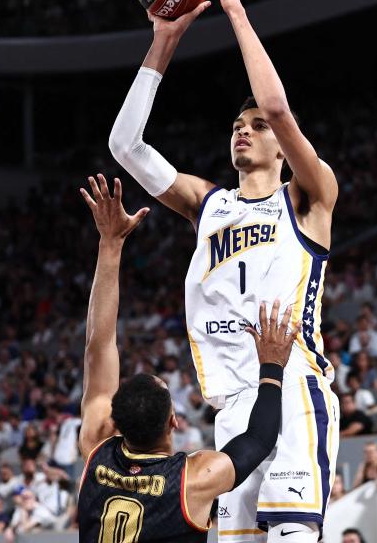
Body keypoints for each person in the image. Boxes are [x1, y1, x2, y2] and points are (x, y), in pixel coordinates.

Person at [110, 0, 338, 542]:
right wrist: (161, 46)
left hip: (291, 387)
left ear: (281, 148)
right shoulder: (207, 204)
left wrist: (233, 7)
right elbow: (124, 147)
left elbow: (278, 105)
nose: (245, 131)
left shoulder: (307, 198)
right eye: (238, 125)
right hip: (231, 407)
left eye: (256, 127)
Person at [75, 175, 299, 542]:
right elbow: (261, 440)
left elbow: (98, 346)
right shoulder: (192, 479)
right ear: (174, 422)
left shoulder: (96, 450)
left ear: (114, 422)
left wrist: (109, 245)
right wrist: (273, 366)